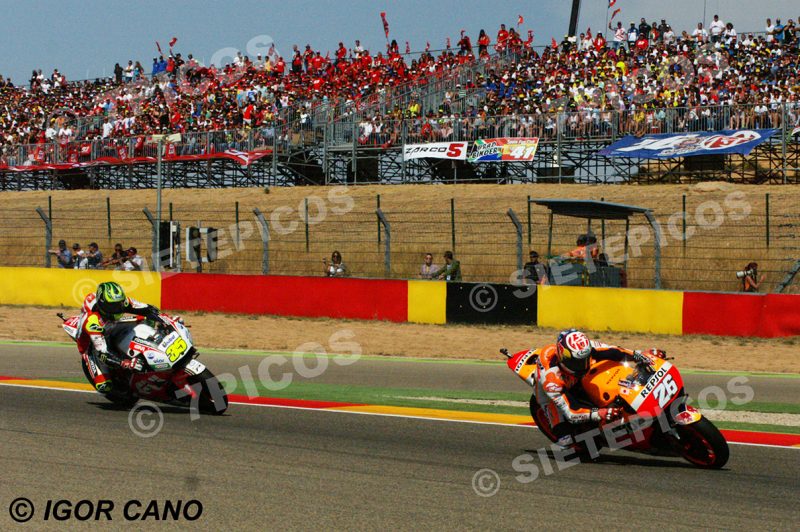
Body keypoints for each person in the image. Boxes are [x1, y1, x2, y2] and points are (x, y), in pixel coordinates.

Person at [531, 329, 658, 450]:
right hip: (550, 393)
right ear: (564, 358)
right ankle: (564, 433)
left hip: (577, 378)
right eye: (577, 362)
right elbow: (572, 413)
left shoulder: (584, 347)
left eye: (585, 360)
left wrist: (638, 355)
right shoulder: (551, 380)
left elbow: (613, 350)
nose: (582, 365)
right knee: (566, 441)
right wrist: (599, 413)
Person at [76, 282, 163, 393]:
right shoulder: (93, 323)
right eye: (112, 306)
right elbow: (103, 354)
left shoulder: (123, 301)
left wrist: (163, 320)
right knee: (104, 386)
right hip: (91, 346)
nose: (117, 308)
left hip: (111, 325)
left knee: (146, 320)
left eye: (119, 304)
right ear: (102, 304)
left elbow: (148, 308)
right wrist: (123, 363)